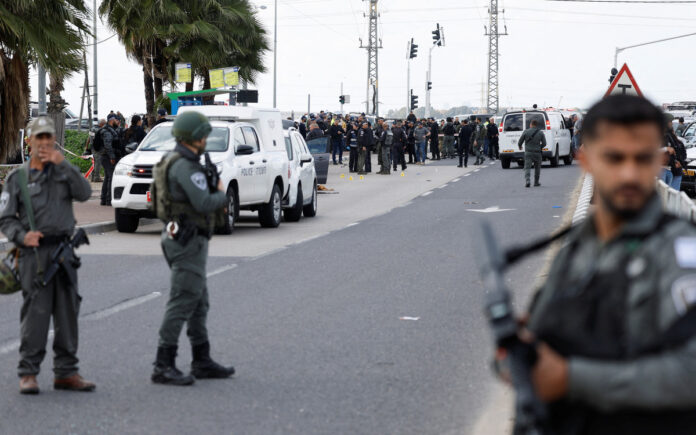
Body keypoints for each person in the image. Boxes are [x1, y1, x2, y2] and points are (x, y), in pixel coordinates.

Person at [520, 95, 696, 434]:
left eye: (642, 159)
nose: (629, 173)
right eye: (614, 158)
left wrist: (571, 379)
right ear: (585, 160)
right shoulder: (579, 246)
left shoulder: (680, 251)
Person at [0, 116, 95, 394]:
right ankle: (28, 373)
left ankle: (66, 372)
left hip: (64, 253)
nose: (43, 143)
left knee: (68, 313)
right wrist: (21, 236)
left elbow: (85, 192)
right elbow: (5, 219)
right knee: (36, 315)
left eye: (47, 137)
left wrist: (63, 164)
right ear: (28, 142)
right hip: (34, 255)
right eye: (38, 138)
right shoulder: (17, 178)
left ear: (54, 140)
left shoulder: (63, 171)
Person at [151, 111, 234, 386]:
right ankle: (163, 364)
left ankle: (202, 360)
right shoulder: (185, 166)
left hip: (183, 237)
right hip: (187, 241)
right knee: (183, 299)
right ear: (194, 137)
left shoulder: (173, 160)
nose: (206, 140)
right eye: (204, 135)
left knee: (199, 301)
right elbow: (203, 202)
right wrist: (222, 193)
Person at [518, 118, 546, 188]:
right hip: (537, 153)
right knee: (537, 168)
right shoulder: (540, 132)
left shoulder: (526, 131)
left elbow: (520, 141)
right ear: (536, 125)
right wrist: (539, 147)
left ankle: (528, 181)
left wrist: (520, 146)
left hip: (528, 152)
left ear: (531, 124)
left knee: (527, 168)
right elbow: (544, 143)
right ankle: (536, 182)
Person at [100, 114, 121, 205]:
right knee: (111, 177)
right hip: (107, 157)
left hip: (106, 156)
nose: (118, 122)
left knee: (107, 177)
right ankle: (108, 200)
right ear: (112, 120)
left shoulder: (108, 129)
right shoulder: (108, 131)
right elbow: (108, 145)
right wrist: (112, 156)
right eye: (117, 120)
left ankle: (103, 199)